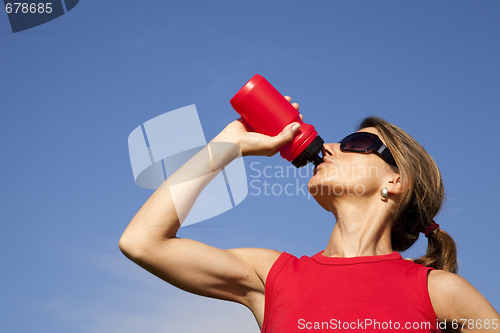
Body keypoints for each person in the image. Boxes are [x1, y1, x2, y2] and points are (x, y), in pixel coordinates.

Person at [119, 97, 499, 332]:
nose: (330, 147)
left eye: (357, 143)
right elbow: (142, 242)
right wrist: (227, 145)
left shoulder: (439, 292)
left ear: (396, 181)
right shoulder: (272, 277)